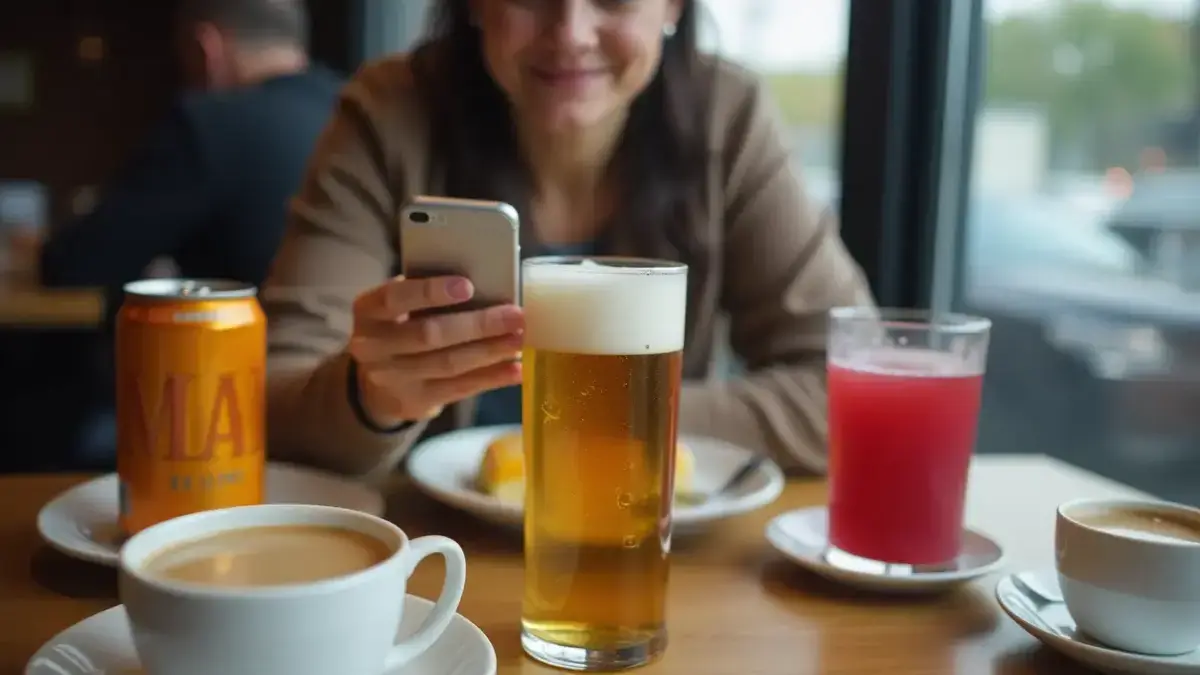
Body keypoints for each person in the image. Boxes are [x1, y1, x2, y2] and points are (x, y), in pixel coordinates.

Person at [262, 0, 874, 479]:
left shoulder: (726, 117)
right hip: (431, 558)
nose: (571, 33)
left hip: (646, 552)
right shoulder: (389, 112)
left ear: (672, 9)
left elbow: (850, 386)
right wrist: (367, 397)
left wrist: (609, 407)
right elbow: (272, 391)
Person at [39, 0, 341, 294]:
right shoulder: (353, 114)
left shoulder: (208, 125)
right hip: (353, 342)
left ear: (204, 47)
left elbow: (77, 263)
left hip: (230, 342)